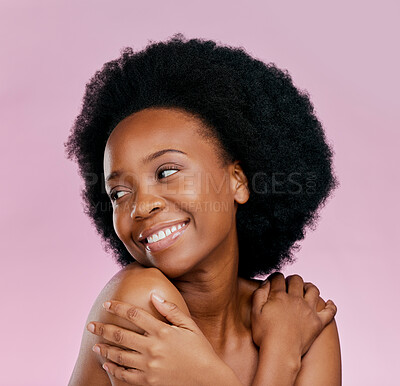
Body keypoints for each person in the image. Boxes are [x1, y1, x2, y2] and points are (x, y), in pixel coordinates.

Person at [64, 33, 341, 385]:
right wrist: (281, 354)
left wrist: (282, 342)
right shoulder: (137, 304)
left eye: (167, 172)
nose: (141, 205)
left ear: (238, 181)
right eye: (118, 192)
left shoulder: (303, 319)